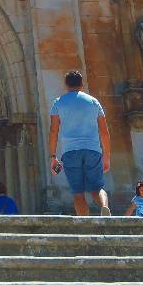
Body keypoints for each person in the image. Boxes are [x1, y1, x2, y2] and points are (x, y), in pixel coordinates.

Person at [48, 70, 112, 216]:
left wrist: (53, 156)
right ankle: (104, 206)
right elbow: (104, 132)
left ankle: (85, 224)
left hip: (70, 151)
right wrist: (106, 156)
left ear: (66, 85)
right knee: (97, 188)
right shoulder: (94, 102)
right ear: (82, 84)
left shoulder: (58, 102)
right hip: (93, 149)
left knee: (78, 192)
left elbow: (53, 131)